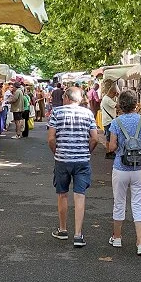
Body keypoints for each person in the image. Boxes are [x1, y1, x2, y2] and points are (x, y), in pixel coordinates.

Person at [48, 86, 99, 247]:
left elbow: (51, 138)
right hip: (82, 160)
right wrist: (87, 151)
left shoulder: (57, 113)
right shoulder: (88, 113)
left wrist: (57, 152)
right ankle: (78, 234)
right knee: (80, 195)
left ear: (67, 98)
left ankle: (63, 230)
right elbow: (95, 138)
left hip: (62, 159)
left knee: (62, 194)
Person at [107, 89, 141, 255]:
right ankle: (140, 243)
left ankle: (117, 237)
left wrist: (118, 146)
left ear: (120, 105)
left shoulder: (116, 122)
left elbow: (112, 146)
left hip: (121, 167)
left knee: (119, 202)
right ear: (136, 104)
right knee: (138, 204)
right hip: (139, 169)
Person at [101, 84, 119, 159]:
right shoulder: (107, 99)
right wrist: (118, 97)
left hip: (108, 120)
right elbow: (117, 106)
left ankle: (110, 151)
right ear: (112, 93)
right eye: (114, 94)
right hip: (109, 121)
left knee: (110, 137)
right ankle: (109, 152)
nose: (114, 96)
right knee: (109, 137)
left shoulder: (106, 98)